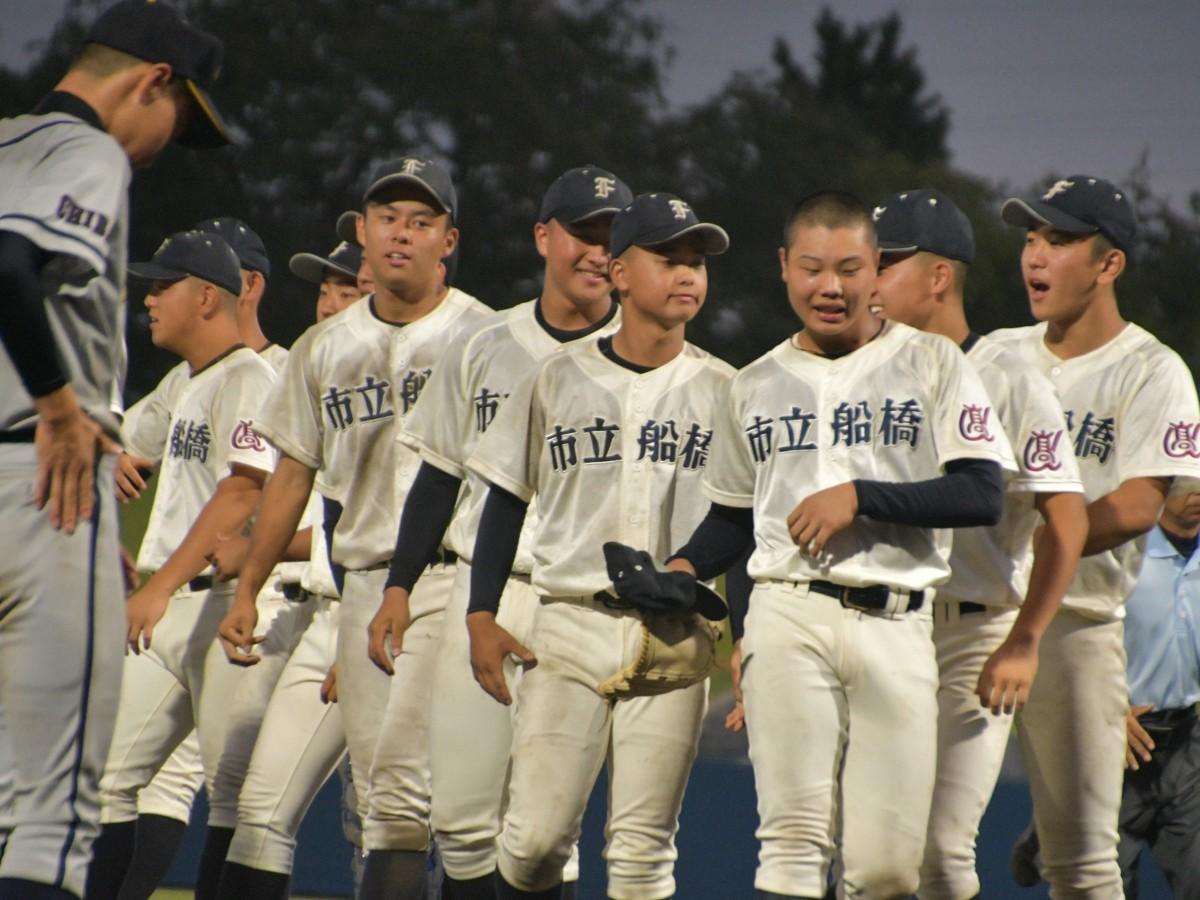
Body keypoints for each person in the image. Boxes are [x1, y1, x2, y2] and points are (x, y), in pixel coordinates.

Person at [668, 191, 1014, 898]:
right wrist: (683, 565)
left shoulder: (932, 363)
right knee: (792, 846)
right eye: (813, 268)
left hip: (900, 620)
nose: (831, 287)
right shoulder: (754, 383)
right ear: (785, 268)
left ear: (875, 269)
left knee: (886, 869)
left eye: (851, 268)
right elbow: (737, 520)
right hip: (789, 614)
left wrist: (861, 495)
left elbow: (981, 493)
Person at [0, 2, 230, 895]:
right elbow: (10, 265)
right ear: (153, 81)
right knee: (51, 817)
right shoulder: (86, 152)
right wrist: (60, 403)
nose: (166, 141)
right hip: (45, 488)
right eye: (177, 120)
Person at [223, 156, 491, 900]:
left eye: (421, 221)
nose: (401, 234)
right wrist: (249, 587)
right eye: (387, 219)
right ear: (363, 234)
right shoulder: (323, 348)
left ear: (449, 240)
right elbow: (291, 476)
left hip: (462, 576)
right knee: (384, 809)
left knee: (458, 809)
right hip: (367, 585)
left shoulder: (486, 337)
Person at [366, 165, 632, 899]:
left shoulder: (645, 357)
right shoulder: (485, 343)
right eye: (583, 233)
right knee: (460, 818)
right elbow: (440, 476)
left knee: (548, 831)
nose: (596, 252)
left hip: (578, 604)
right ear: (544, 236)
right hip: (480, 592)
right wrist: (398, 585)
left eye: (613, 238)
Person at [466, 191, 734, 900]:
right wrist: (479, 613)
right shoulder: (554, 376)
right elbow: (503, 498)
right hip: (570, 621)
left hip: (676, 635)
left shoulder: (725, 390)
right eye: (668, 258)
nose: (687, 274)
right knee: (532, 846)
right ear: (619, 272)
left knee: (643, 859)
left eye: (697, 262)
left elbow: (746, 523)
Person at [869, 187, 1088, 900]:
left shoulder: (1008, 376)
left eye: (886, 262)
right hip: (881, 626)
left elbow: (1068, 518)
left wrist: (1025, 640)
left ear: (939, 276)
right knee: (870, 854)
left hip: (974, 635)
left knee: (939, 855)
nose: (866, 278)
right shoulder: (863, 375)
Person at [87, 219, 313, 900]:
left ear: (209, 298)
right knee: (107, 779)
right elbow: (124, 437)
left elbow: (243, 488)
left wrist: (160, 588)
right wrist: (115, 451)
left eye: (163, 287)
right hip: (177, 604)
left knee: (234, 801)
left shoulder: (251, 377)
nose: (148, 299)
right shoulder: (189, 380)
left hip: (232, 601)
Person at [991, 175, 1200, 898]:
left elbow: (1141, 503)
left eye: (1059, 239)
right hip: (980, 619)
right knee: (926, 838)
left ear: (1109, 264)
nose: (1035, 257)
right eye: (1030, 237)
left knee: (1081, 861)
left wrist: (1032, 550)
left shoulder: (1154, 370)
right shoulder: (995, 354)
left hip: (1079, 626)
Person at [211, 233, 369, 899]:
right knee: (261, 816)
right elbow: (290, 484)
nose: (330, 301)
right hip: (323, 611)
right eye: (324, 287)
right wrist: (250, 583)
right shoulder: (316, 372)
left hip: (398, 616)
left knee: (402, 828)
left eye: (346, 287)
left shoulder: (435, 364)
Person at [1012, 489, 1200, 899]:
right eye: (1188, 477)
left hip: (1187, 741)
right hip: (1119, 733)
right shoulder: (1118, 549)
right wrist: (1112, 711)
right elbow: (1059, 630)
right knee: (1105, 879)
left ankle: (1044, 833)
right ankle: (1048, 830)